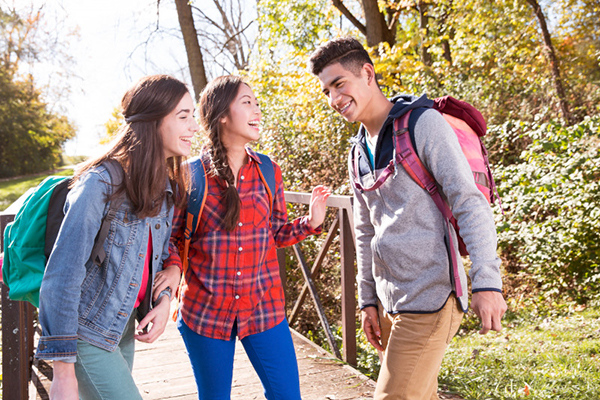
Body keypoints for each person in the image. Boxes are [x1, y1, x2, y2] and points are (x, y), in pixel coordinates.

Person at [309, 37, 507, 399]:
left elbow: (469, 202)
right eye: (326, 92)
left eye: (339, 85)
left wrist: (487, 282)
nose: (334, 99)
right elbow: (366, 230)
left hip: (432, 296)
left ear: (367, 73)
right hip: (390, 302)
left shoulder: (422, 124)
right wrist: (368, 300)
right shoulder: (357, 152)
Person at [164, 75, 331, 400]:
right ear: (222, 115)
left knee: (287, 396)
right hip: (205, 311)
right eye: (247, 103)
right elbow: (169, 240)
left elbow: (276, 233)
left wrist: (311, 221)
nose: (257, 110)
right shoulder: (190, 175)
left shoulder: (270, 171)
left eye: (257, 102)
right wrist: (171, 272)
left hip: (264, 307)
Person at [35, 74, 198, 400]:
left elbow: (162, 252)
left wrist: (165, 299)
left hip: (120, 327)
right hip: (83, 334)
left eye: (193, 115)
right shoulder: (100, 183)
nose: (194, 126)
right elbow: (62, 275)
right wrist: (63, 371)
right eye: (184, 116)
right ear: (153, 121)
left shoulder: (165, 186)